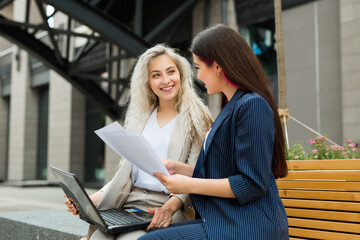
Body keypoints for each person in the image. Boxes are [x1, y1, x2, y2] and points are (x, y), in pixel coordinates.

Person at [138, 24, 289, 240]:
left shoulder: (252, 106)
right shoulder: (233, 106)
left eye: (199, 67)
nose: (198, 76)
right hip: (226, 220)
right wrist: (182, 169)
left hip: (249, 227)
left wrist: (188, 184)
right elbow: (226, 171)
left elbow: (251, 183)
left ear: (217, 67)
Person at [64, 44, 213, 240]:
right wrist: (87, 202)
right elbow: (123, 176)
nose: (166, 80)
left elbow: (195, 177)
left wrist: (168, 208)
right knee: (98, 238)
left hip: (168, 205)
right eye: (156, 75)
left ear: (181, 75)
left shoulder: (197, 117)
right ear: (147, 81)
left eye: (171, 71)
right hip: (129, 202)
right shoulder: (141, 117)